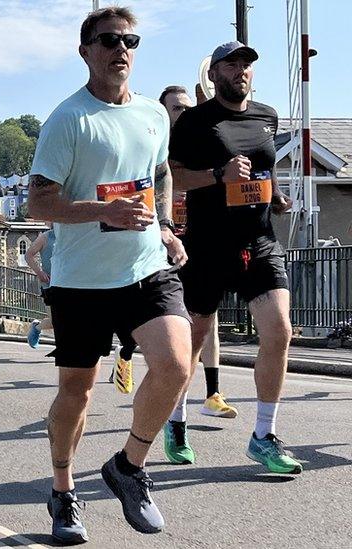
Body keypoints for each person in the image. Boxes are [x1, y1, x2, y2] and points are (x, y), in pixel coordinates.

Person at [27, 7, 192, 543]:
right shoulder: (68, 120)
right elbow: (38, 202)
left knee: (174, 363)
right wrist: (104, 212)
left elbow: (160, 171)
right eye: (108, 41)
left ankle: (128, 466)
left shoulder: (152, 114)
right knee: (77, 391)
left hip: (145, 268)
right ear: (86, 51)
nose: (121, 49)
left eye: (130, 41)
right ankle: (63, 491)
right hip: (81, 281)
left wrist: (165, 226)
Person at [169, 41, 297, 473]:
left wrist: (276, 195)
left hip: (259, 240)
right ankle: (176, 420)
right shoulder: (194, 122)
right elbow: (172, 177)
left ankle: (264, 435)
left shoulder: (267, 115)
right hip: (208, 245)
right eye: (232, 64)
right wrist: (217, 176)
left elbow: (267, 168)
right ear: (216, 73)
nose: (241, 70)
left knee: (279, 331)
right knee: (195, 340)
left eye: (247, 65)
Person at [161, 84, 237, 421]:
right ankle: (130, 353)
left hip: (199, 241)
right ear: (163, 113)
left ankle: (212, 393)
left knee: (207, 318)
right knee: (170, 321)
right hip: (161, 244)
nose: (184, 112)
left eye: (188, 106)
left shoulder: (202, 140)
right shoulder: (156, 146)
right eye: (177, 108)